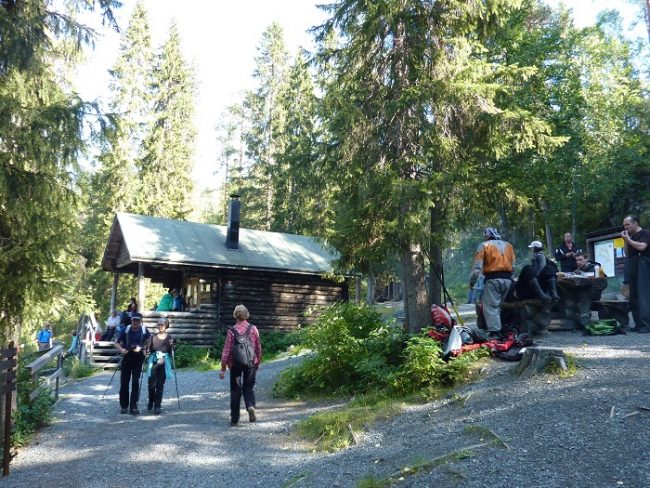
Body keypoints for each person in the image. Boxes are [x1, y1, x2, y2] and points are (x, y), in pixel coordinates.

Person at [219, 304, 262, 426]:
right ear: (246, 314)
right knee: (248, 387)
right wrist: (257, 362)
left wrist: (223, 368)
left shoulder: (231, 331)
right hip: (250, 362)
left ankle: (234, 419)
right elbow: (258, 347)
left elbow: (226, 350)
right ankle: (250, 406)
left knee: (235, 391)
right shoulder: (253, 329)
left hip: (235, 364)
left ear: (235, 315)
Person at [469, 228, 515, 338]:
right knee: (498, 306)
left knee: (491, 307)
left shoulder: (484, 245)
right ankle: (499, 330)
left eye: (484, 235)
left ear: (487, 235)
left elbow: (477, 267)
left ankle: (495, 333)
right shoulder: (508, 246)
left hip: (492, 279)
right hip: (507, 280)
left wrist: (472, 282)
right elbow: (513, 266)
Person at [114, 312, 150, 414]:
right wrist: (121, 350)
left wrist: (144, 348)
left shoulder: (144, 330)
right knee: (124, 383)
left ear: (140, 321)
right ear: (131, 320)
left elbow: (150, 340)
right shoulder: (125, 329)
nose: (135, 322)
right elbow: (116, 342)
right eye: (134, 320)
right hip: (126, 358)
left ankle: (133, 406)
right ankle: (124, 406)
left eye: (137, 320)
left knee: (135, 383)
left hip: (138, 359)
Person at [621, 215, 650, 333]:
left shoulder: (645, 233)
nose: (625, 227)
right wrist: (625, 241)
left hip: (643, 265)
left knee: (643, 295)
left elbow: (642, 247)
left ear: (635, 223)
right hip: (632, 265)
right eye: (624, 225)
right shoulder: (631, 236)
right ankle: (638, 324)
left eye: (627, 224)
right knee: (633, 295)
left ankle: (646, 325)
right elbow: (627, 253)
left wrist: (628, 239)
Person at [143, 317, 175, 415]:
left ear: (166, 326)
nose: (161, 326)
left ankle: (157, 405)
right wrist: (145, 353)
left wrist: (173, 346)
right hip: (153, 362)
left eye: (163, 324)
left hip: (164, 362)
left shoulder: (170, 338)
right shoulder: (152, 337)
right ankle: (151, 401)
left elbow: (172, 351)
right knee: (151, 385)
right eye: (159, 324)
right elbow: (146, 348)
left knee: (160, 385)